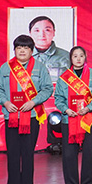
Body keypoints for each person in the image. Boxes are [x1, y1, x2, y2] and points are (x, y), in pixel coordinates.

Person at [0, 35, 54, 184]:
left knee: (27, 151)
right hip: (11, 116)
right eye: (19, 47)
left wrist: (34, 102)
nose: (22, 51)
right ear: (14, 50)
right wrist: (5, 102)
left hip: (32, 116)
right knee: (12, 152)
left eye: (25, 48)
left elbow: (48, 88)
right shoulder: (6, 68)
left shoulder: (39, 68)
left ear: (31, 51)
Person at [54, 46, 92, 184]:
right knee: (69, 154)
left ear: (85, 57)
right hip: (69, 119)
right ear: (70, 59)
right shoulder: (64, 77)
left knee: (89, 153)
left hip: (88, 119)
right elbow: (58, 98)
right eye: (75, 56)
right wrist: (66, 110)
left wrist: (89, 108)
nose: (78, 59)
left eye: (81, 56)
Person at [29, 15, 69, 153]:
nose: (42, 35)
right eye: (37, 30)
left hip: (57, 104)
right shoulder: (23, 57)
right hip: (32, 105)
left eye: (47, 30)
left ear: (54, 32)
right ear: (30, 33)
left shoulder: (66, 57)